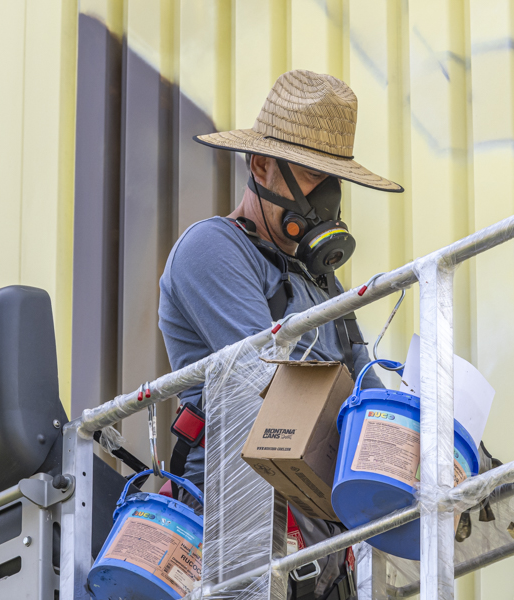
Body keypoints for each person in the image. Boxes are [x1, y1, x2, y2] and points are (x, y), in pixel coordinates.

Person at [158, 69, 403, 599]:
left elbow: (371, 398)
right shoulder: (212, 250)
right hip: (237, 531)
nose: (327, 197)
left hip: (321, 547)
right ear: (260, 165)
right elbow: (272, 393)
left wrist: (426, 444)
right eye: (314, 176)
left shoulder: (324, 285)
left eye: (334, 180)